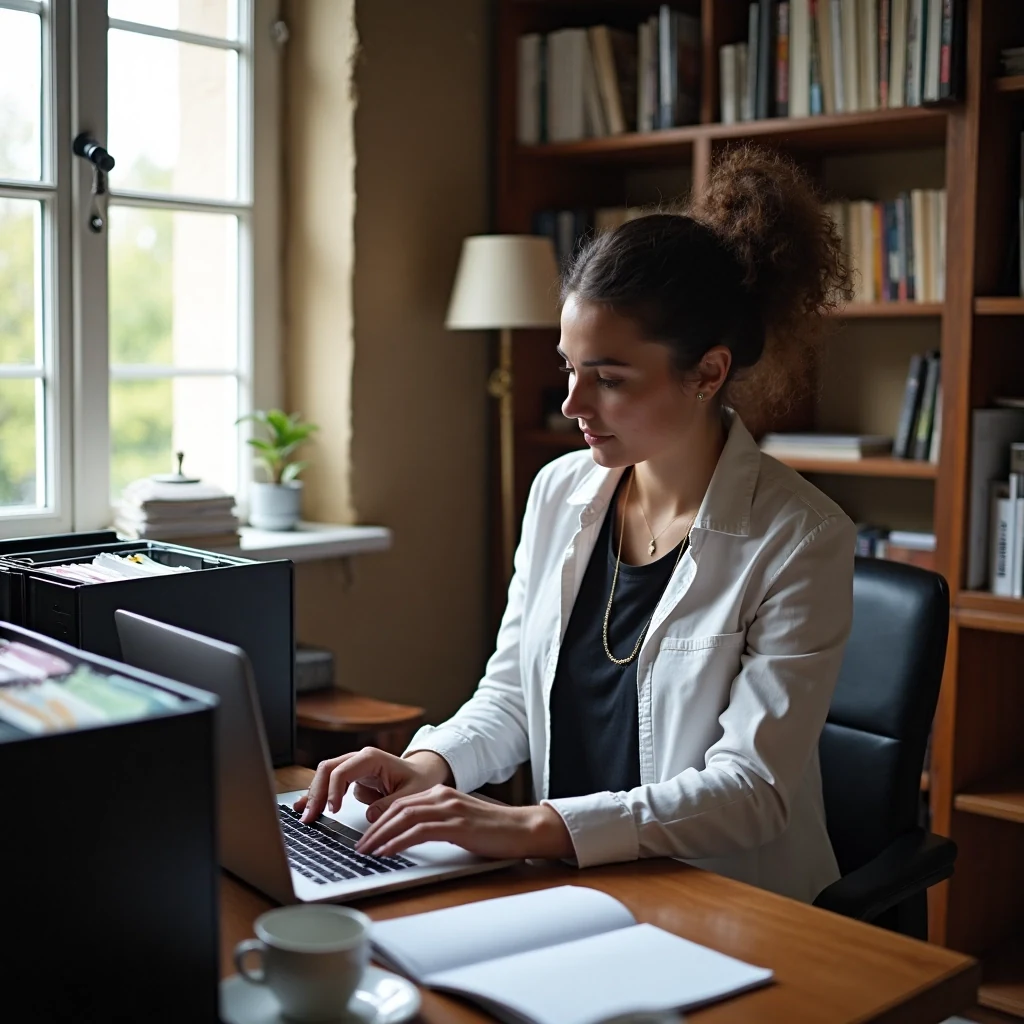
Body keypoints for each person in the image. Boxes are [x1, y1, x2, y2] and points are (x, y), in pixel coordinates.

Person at [295, 146, 856, 903]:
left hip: (725, 901)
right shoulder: (559, 492)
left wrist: (530, 826)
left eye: (609, 378)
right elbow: (512, 696)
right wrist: (429, 766)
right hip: (580, 887)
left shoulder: (801, 539)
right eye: (569, 367)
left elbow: (749, 790)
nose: (571, 404)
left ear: (708, 372)